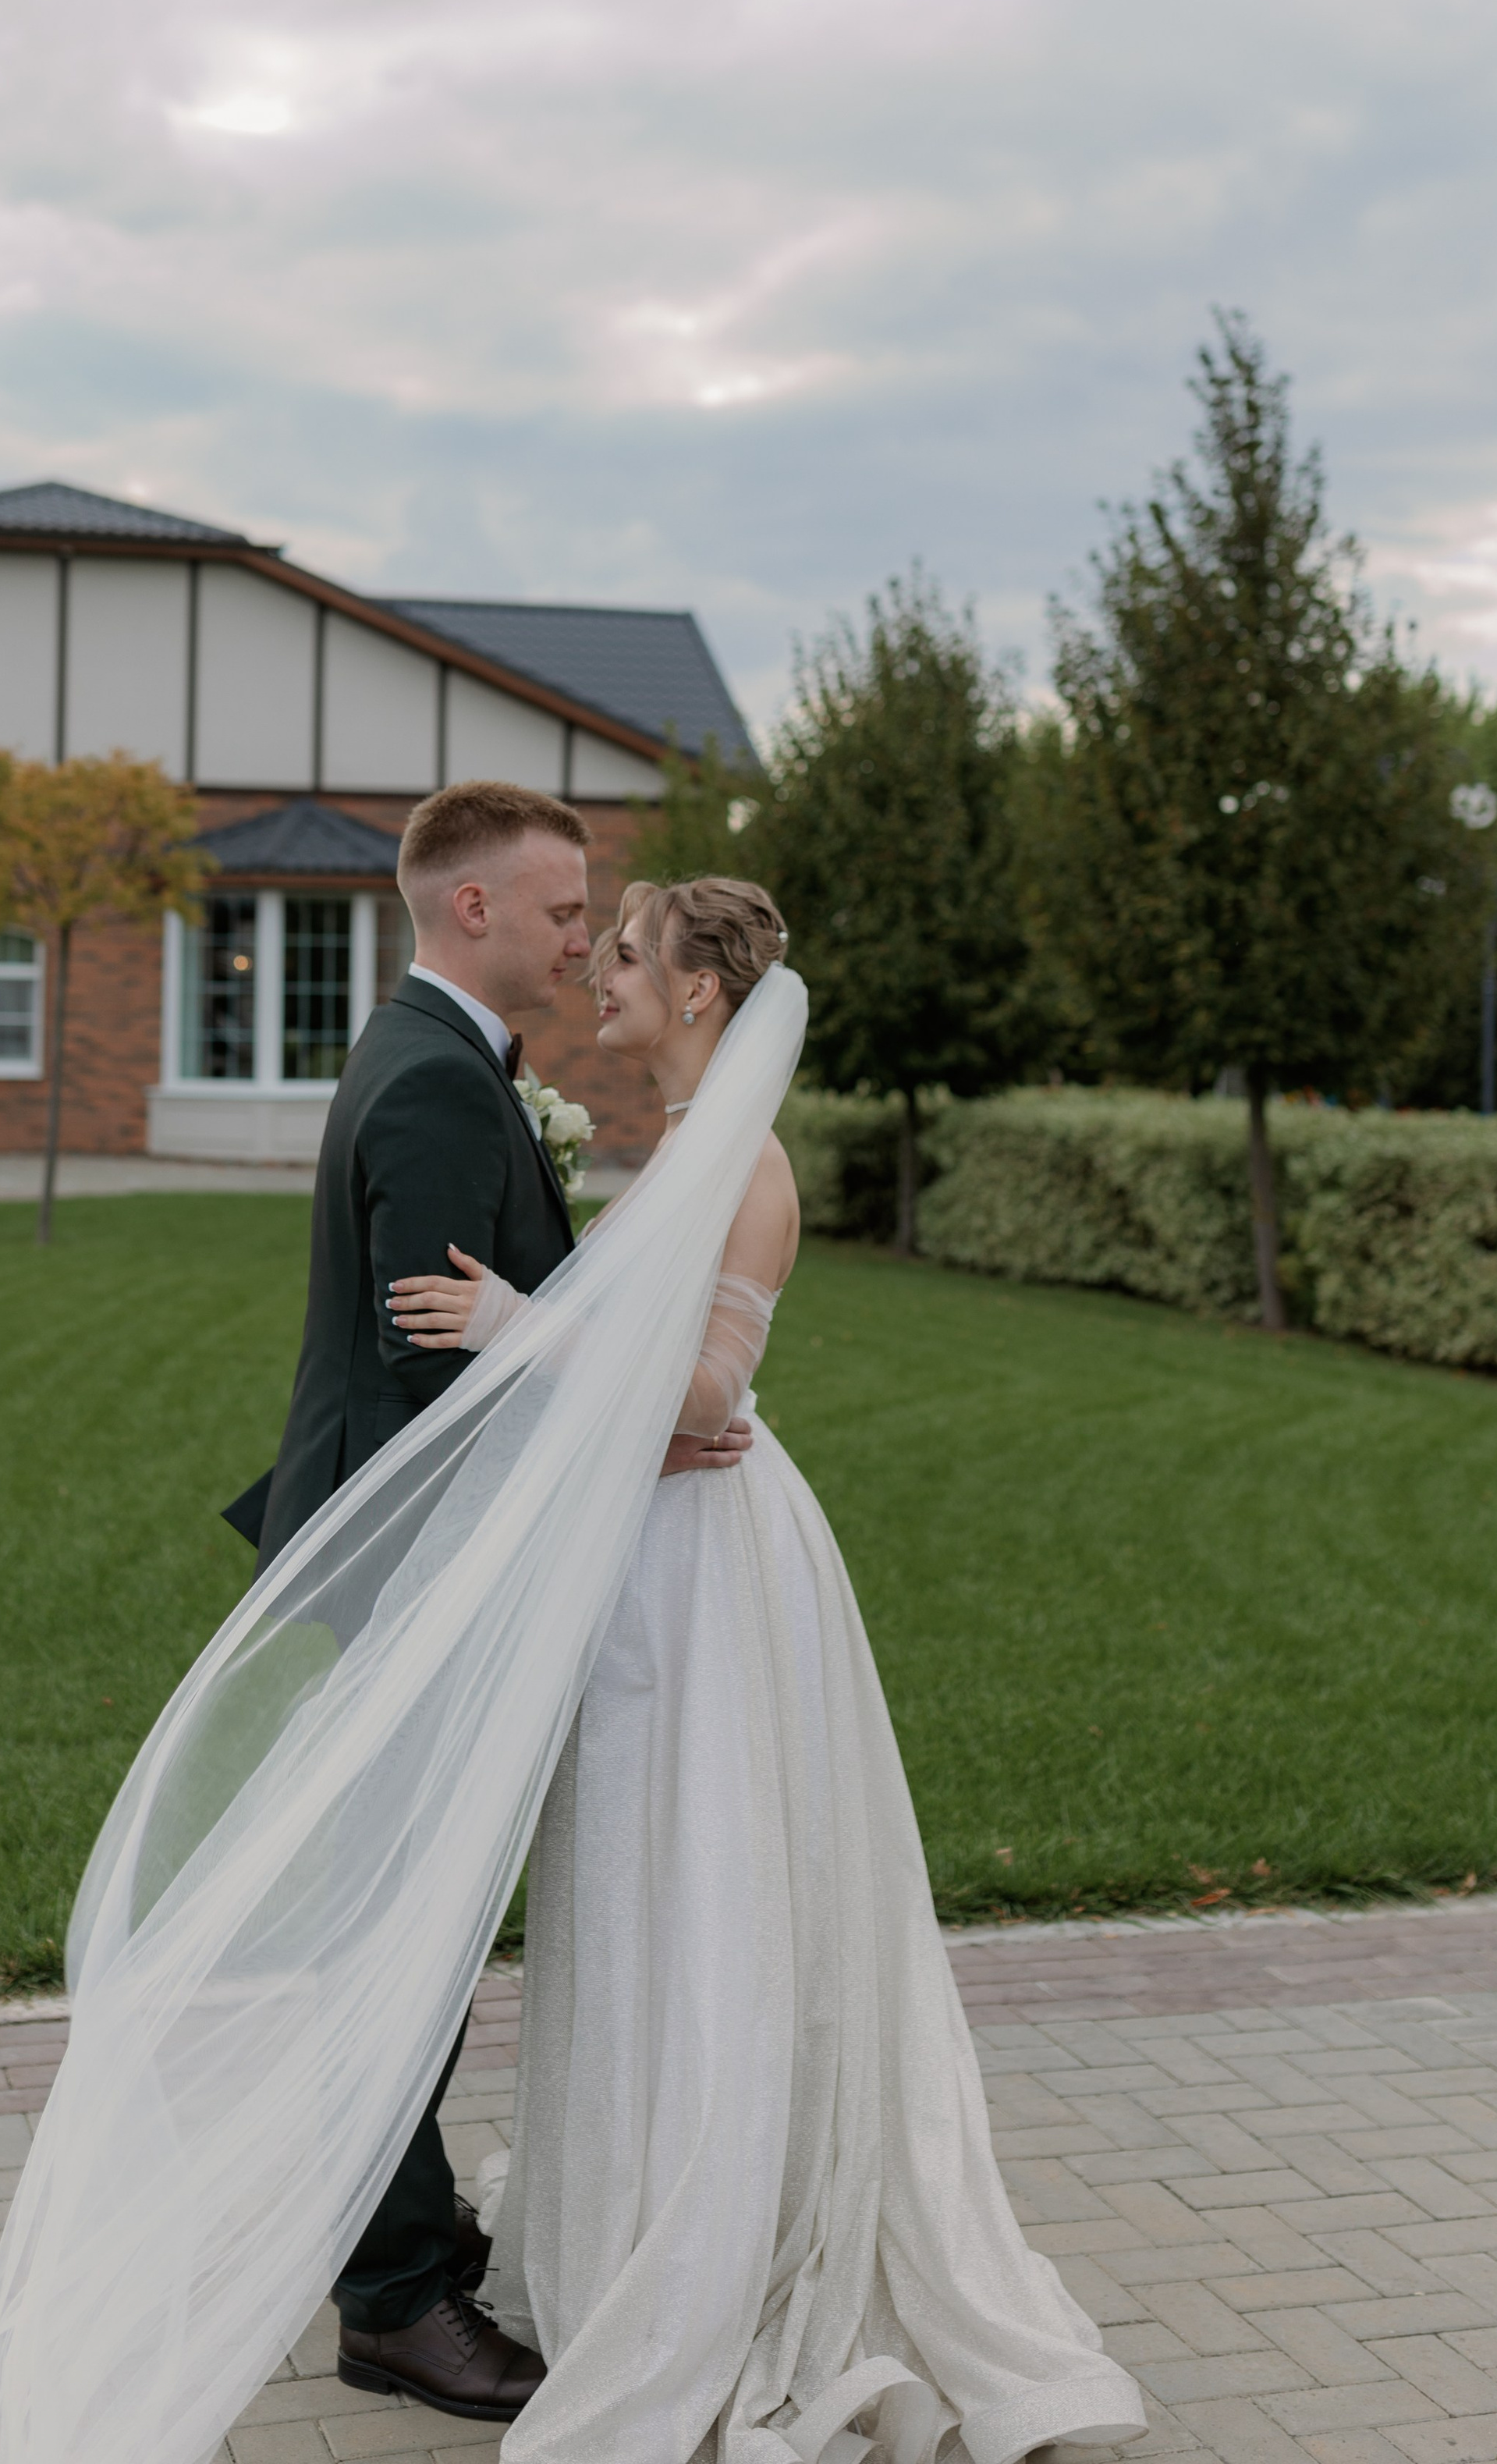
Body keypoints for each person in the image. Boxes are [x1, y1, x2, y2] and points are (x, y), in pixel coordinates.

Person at [386, 878, 1148, 2464]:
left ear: (699, 993)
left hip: (707, 1571)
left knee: (706, 1884)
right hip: (644, 1554)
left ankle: (724, 2245)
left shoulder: (747, 1166)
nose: (599, 972)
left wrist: (518, 1323)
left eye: (625, 955)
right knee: (640, 1888)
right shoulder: (678, 1145)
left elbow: (711, 1392)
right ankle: (640, 2217)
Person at [222, 782, 752, 2429]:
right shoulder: (441, 1086)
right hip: (421, 1576)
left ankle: (404, 2230)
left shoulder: (439, 1059)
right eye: (564, 910)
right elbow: (430, 1377)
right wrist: (629, 1430)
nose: (584, 937)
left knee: (418, 1926)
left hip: (419, 1565)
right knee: (406, 1936)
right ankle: (392, 2303)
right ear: (473, 909)